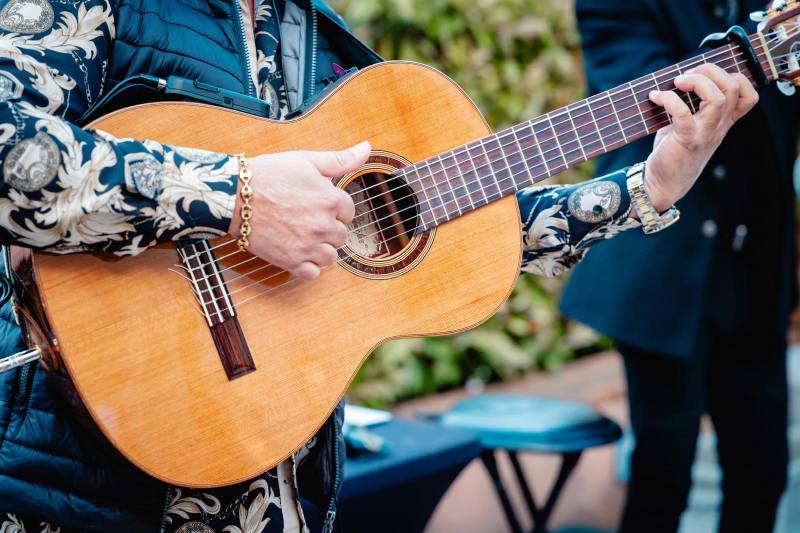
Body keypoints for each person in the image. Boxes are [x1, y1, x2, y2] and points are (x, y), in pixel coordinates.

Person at [0, 1, 758, 531]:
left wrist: (645, 188)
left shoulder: (315, 38)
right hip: (82, 490)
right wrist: (241, 199)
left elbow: (453, 226)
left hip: (273, 488)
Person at [561, 1, 800, 532]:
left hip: (756, 269)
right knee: (661, 477)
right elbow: (644, 106)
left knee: (763, 474)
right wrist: (756, 55)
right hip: (659, 267)